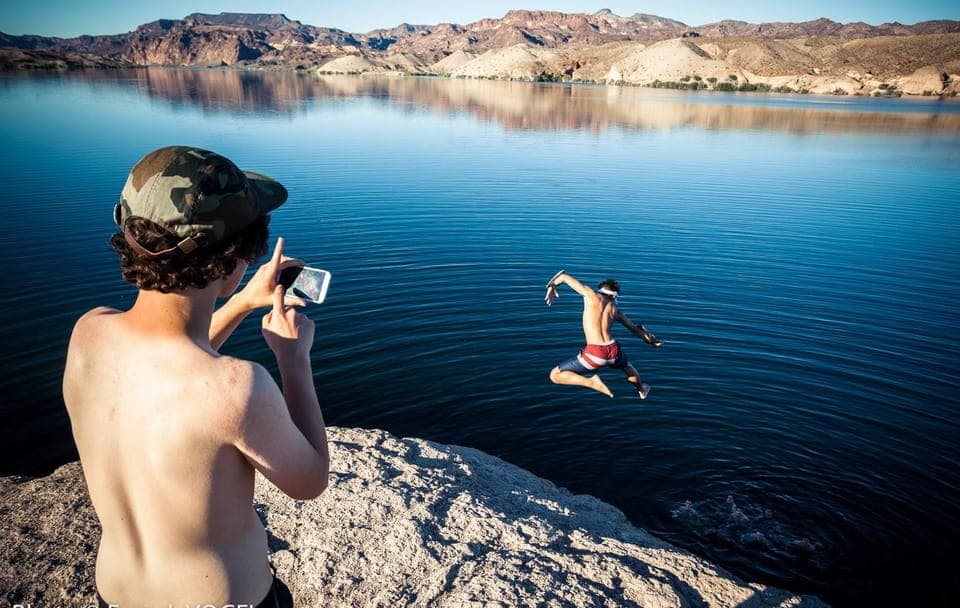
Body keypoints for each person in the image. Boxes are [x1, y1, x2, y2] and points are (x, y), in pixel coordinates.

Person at [63, 146, 330, 608]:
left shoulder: (88, 333)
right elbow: (309, 482)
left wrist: (245, 301)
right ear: (232, 260)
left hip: (116, 593)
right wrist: (294, 359)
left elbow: (176, 363)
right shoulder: (238, 387)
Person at [545, 270, 662, 399]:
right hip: (613, 350)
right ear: (614, 296)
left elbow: (563, 276)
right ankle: (641, 389)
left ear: (601, 290)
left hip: (595, 353)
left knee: (554, 375)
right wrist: (651, 340)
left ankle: (591, 382)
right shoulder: (615, 311)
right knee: (627, 366)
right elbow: (635, 329)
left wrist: (552, 286)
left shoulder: (591, 295)